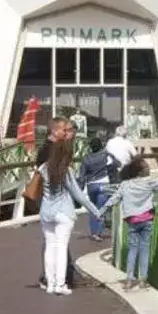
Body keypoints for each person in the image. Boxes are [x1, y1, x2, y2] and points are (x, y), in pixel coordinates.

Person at [36, 125, 101, 296]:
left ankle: (50, 284)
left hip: (46, 212)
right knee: (61, 247)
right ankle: (60, 284)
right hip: (63, 211)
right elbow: (79, 195)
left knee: (50, 247)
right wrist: (95, 211)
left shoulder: (43, 168)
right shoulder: (66, 170)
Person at [104, 155, 158, 290]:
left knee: (132, 250)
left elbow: (115, 198)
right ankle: (142, 280)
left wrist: (102, 209)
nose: (149, 168)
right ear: (140, 172)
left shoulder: (125, 184)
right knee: (144, 249)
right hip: (146, 219)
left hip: (132, 221)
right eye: (146, 167)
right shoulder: (148, 182)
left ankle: (129, 280)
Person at [81, 135, 115, 242]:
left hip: (91, 185)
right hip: (104, 184)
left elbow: (82, 175)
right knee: (101, 209)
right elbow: (116, 164)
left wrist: (81, 187)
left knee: (93, 208)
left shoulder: (86, 158)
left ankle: (93, 232)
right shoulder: (106, 156)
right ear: (101, 146)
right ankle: (98, 233)